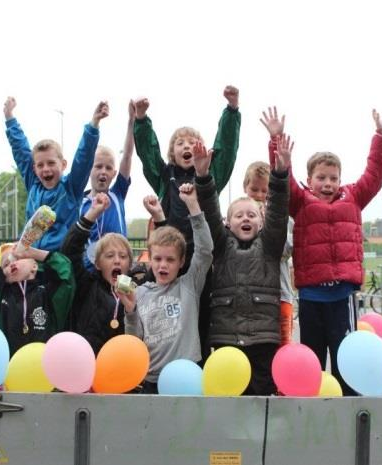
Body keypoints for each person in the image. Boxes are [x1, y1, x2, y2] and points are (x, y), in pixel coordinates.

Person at [262, 107, 382, 396]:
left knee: (345, 359)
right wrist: (276, 140)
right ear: (310, 180)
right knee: (313, 358)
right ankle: (312, 405)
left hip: (341, 297)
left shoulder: (354, 197)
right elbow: (282, 178)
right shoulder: (301, 201)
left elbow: (374, 175)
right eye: (321, 177)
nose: (328, 183)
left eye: (333, 178)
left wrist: (381, 137)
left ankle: (347, 405)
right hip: (311, 298)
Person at [132, 86, 240, 362]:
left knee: (199, 316)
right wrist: (142, 121)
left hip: (199, 260)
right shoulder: (164, 176)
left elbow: (226, 151)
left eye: (193, 142)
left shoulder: (209, 176)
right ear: (172, 152)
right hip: (170, 259)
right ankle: (162, 363)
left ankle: (199, 364)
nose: (187, 146)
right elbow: (147, 153)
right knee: (166, 318)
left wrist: (231, 112)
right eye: (180, 143)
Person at [193, 135, 291, 395]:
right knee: (229, 398)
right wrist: (202, 176)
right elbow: (210, 211)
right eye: (238, 215)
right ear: (228, 222)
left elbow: (279, 213)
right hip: (226, 338)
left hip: (263, 339)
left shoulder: (270, 246)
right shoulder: (221, 245)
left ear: (260, 222)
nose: (245, 219)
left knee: (260, 396)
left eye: (251, 215)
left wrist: (280, 174)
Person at [122, 187, 213, 393]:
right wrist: (130, 312)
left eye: (170, 259)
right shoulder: (140, 292)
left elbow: (205, 251)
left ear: (181, 262)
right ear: (150, 259)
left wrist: (193, 205)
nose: (163, 265)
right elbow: (134, 342)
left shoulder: (189, 285)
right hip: (151, 380)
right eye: (158, 259)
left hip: (186, 377)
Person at [0, 206, 75, 356]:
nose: (12, 263)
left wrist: (34, 252)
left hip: (45, 371)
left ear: (34, 266)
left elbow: (66, 274)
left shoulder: (48, 294)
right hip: (10, 373)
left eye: (20, 258)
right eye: (6, 264)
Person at [3, 97, 108, 251]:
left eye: (51, 163)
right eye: (40, 165)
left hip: (61, 260)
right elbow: (21, 151)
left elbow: (83, 158)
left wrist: (94, 124)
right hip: (32, 258)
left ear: (63, 164)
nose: (46, 169)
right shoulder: (34, 184)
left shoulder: (71, 187)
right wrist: (9, 118)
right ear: (34, 169)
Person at [61, 193, 133, 354]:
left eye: (123, 256)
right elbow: (69, 251)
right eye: (109, 256)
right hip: (88, 365)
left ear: (129, 263)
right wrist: (93, 214)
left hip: (122, 367)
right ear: (98, 264)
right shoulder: (87, 284)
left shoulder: (136, 290)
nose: (117, 261)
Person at [242, 160, 295, 346]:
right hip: (251, 295)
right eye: (254, 189)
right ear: (245, 188)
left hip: (281, 294)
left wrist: (270, 227)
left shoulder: (284, 218)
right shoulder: (238, 218)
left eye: (265, 191)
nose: (259, 195)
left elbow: (287, 252)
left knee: (283, 347)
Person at [79, 101, 135, 271]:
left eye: (108, 168)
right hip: (91, 272)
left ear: (114, 173)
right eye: (98, 166)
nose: (103, 171)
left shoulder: (117, 194)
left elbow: (127, 156)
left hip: (118, 270)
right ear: (89, 169)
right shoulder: (79, 203)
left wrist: (131, 121)